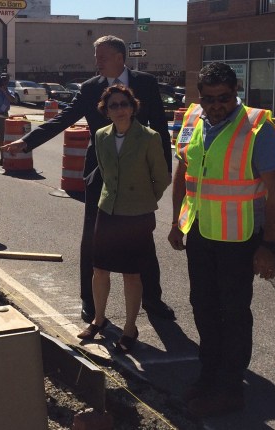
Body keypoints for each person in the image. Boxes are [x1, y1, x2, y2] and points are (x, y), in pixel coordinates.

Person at [2, 35, 175, 323]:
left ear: (120, 57)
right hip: (100, 173)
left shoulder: (144, 82)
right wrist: (28, 141)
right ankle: (91, 302)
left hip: (137, 174)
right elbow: (64, 118)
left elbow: (159, 126)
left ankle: (152, 300)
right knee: (93, 238)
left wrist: (164, 170)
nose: (97, 62)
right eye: (96, 57)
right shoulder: (90, 88)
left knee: (141, 239)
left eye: (102, 57)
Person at [167, 62, 275, 418]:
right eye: (209, 98)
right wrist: (176, 222)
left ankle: (230, 389)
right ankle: (209, 376)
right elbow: (183, 172)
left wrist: (270, 245)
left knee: (233, 314)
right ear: (199, 96)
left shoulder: (256, 128)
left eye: (224, 97)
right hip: (200, 233)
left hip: (239, 238)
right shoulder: (192, 119)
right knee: (202, 307)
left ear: (236, 91)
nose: (216, 105)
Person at [77, 85, 170, 354]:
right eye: (113, 105)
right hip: (107, 210)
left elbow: (161, 177)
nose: (119, 109)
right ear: (105, 111)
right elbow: (106, 172)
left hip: (136, 214)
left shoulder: (149, 137)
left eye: (124, 104)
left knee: (131, 274)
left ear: (133, 107)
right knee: (99, 269)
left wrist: (143, 199)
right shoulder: (101, 135)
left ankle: (130, 328)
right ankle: (99, 319)